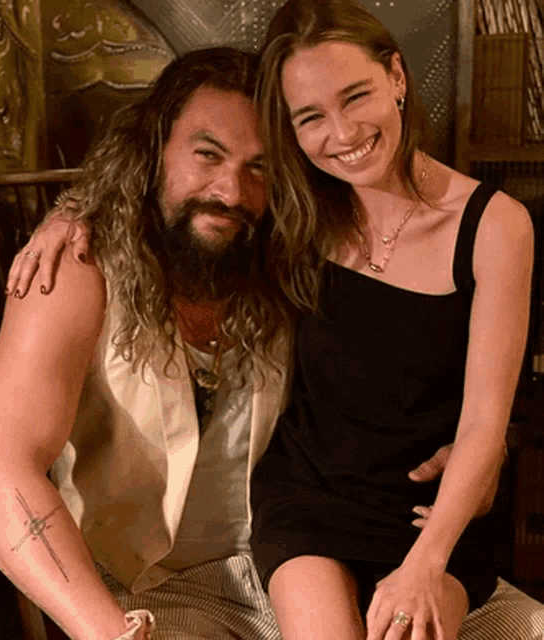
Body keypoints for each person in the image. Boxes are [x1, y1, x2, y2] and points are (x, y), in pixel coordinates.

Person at [0, 46, 456, 640]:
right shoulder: (76, 265)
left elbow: (421, 378)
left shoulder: (299, 260)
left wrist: (471, 455)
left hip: (302, 568)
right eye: (208, 155)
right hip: (137, 590)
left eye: (259, 168)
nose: (231, 191)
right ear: (154, 150)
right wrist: (107, 631)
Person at [247, 1, 535, 639]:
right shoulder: (296, 211)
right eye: (311, 117)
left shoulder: (496, 225)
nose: (343, 133)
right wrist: (71, 213)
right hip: (308, 497)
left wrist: (426, 563)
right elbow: (163, 192)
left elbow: (485, 426)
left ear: (397, 78)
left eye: (357, 96)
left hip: (433, 519)